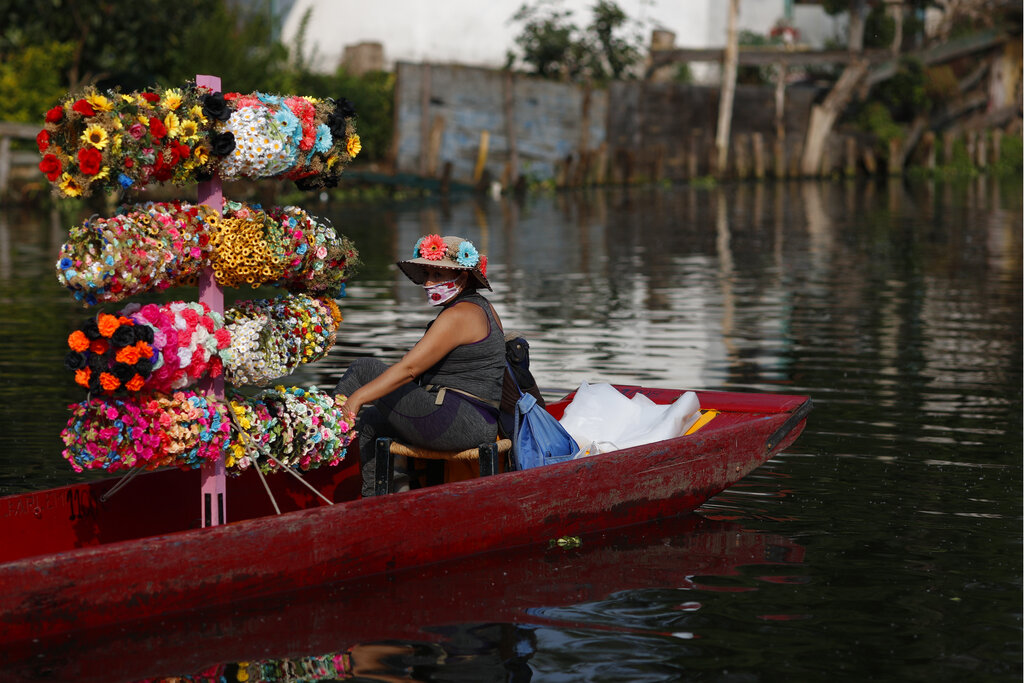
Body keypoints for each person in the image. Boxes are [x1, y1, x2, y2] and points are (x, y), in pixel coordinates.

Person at [334, 234, 506, 496]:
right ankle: (372, 501)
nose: (428, 282)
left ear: (462, 277)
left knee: (363, 370)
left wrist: (355, 399)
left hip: (459, 421)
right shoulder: (478, 308)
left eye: (437, 274)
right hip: (467, 419)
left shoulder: (460, 314)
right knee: (370, 421)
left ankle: (321, 432)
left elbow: (409, 369)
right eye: (428, 273)